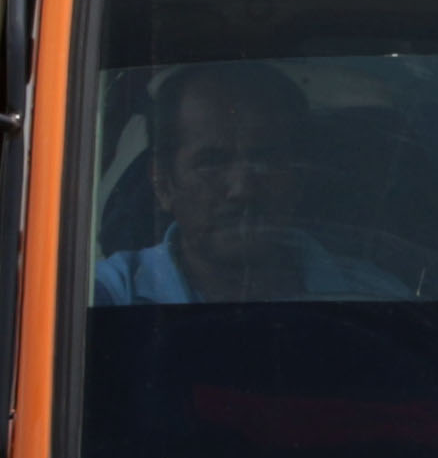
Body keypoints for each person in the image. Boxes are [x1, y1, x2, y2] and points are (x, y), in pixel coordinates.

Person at [92, 63, 414, 304]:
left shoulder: (378, 302)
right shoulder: (104, 299)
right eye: (212, 163)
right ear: (163, 184)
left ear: (298, 178)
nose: (243, 189)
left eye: (265, 160)